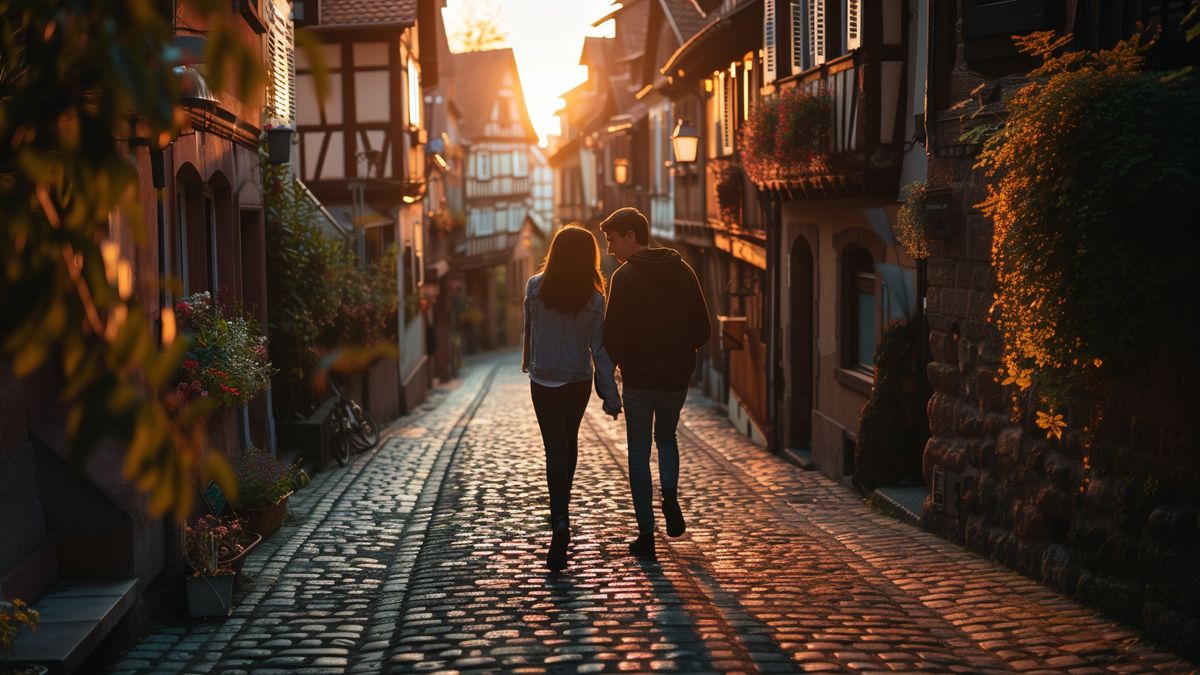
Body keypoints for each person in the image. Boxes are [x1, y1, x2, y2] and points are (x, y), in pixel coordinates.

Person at [600, 207, 710, 560]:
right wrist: (677, 353)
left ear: (631, 235)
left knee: (637, 453)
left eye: (612, 240)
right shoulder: (684, 271)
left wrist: (609, 381)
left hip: (639, 382)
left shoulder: (626, 277)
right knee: (666, 438)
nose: (610, 250)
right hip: (675, 381)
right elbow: (703, 330)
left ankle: (646, 533)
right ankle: (670, 495)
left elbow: (613, 337)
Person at [522, 224, 622, 572]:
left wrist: (530, 364)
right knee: (569, 441)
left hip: (543, 377)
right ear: (588, 258)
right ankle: (563, 514)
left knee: (555, 447)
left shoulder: (535, 288)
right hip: (577, 379)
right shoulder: (594, 298)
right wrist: (610, 394)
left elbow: (529, 332)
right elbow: (599, 348)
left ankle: (559, 521)